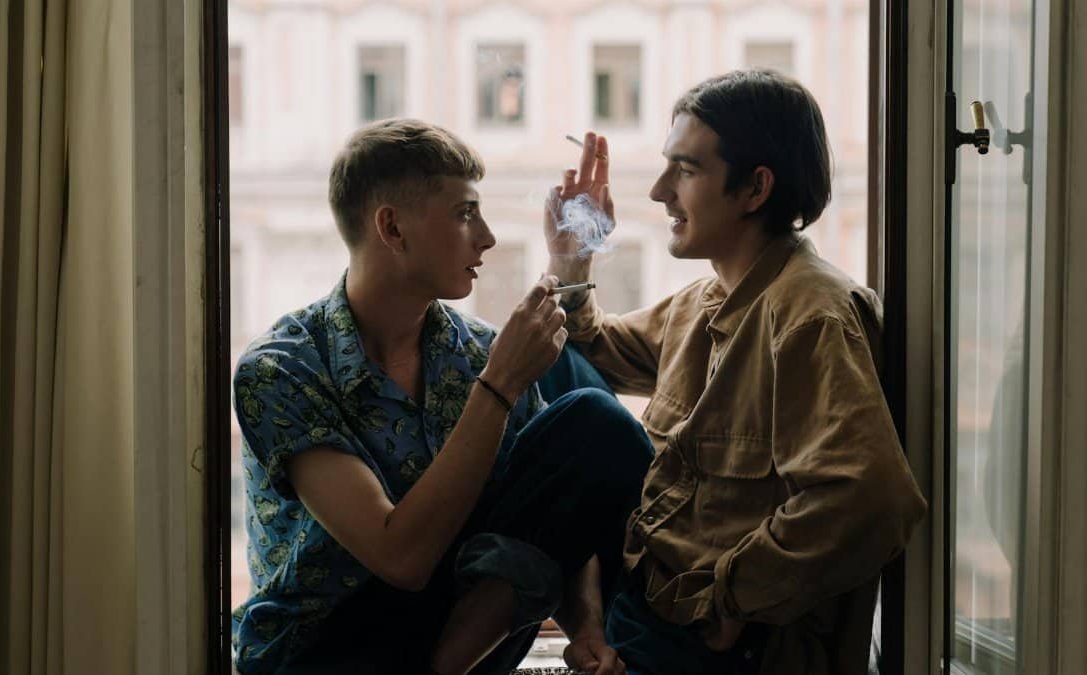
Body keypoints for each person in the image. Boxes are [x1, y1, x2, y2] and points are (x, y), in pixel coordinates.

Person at [231, 118, 652, 675]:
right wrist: (499, 386)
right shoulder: (282, 369)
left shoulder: (475, 350)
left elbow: (558, 509)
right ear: (393, 228)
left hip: (456, 640)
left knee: (594, 420)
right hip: (326, 650)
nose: (488, 237)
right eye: (465, 213)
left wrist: (587, 629)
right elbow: (398, 557)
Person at [545, 69, 928, 674]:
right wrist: (572, 258)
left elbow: (874, 501)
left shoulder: (811, 315)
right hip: (648, 596)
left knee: (577, 412)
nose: (659, 192)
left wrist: (732, 595)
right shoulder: (704, 301)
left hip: (720, 644)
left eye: (685, 170)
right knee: (550, 361)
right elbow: (582, 352)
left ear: (755, 188)